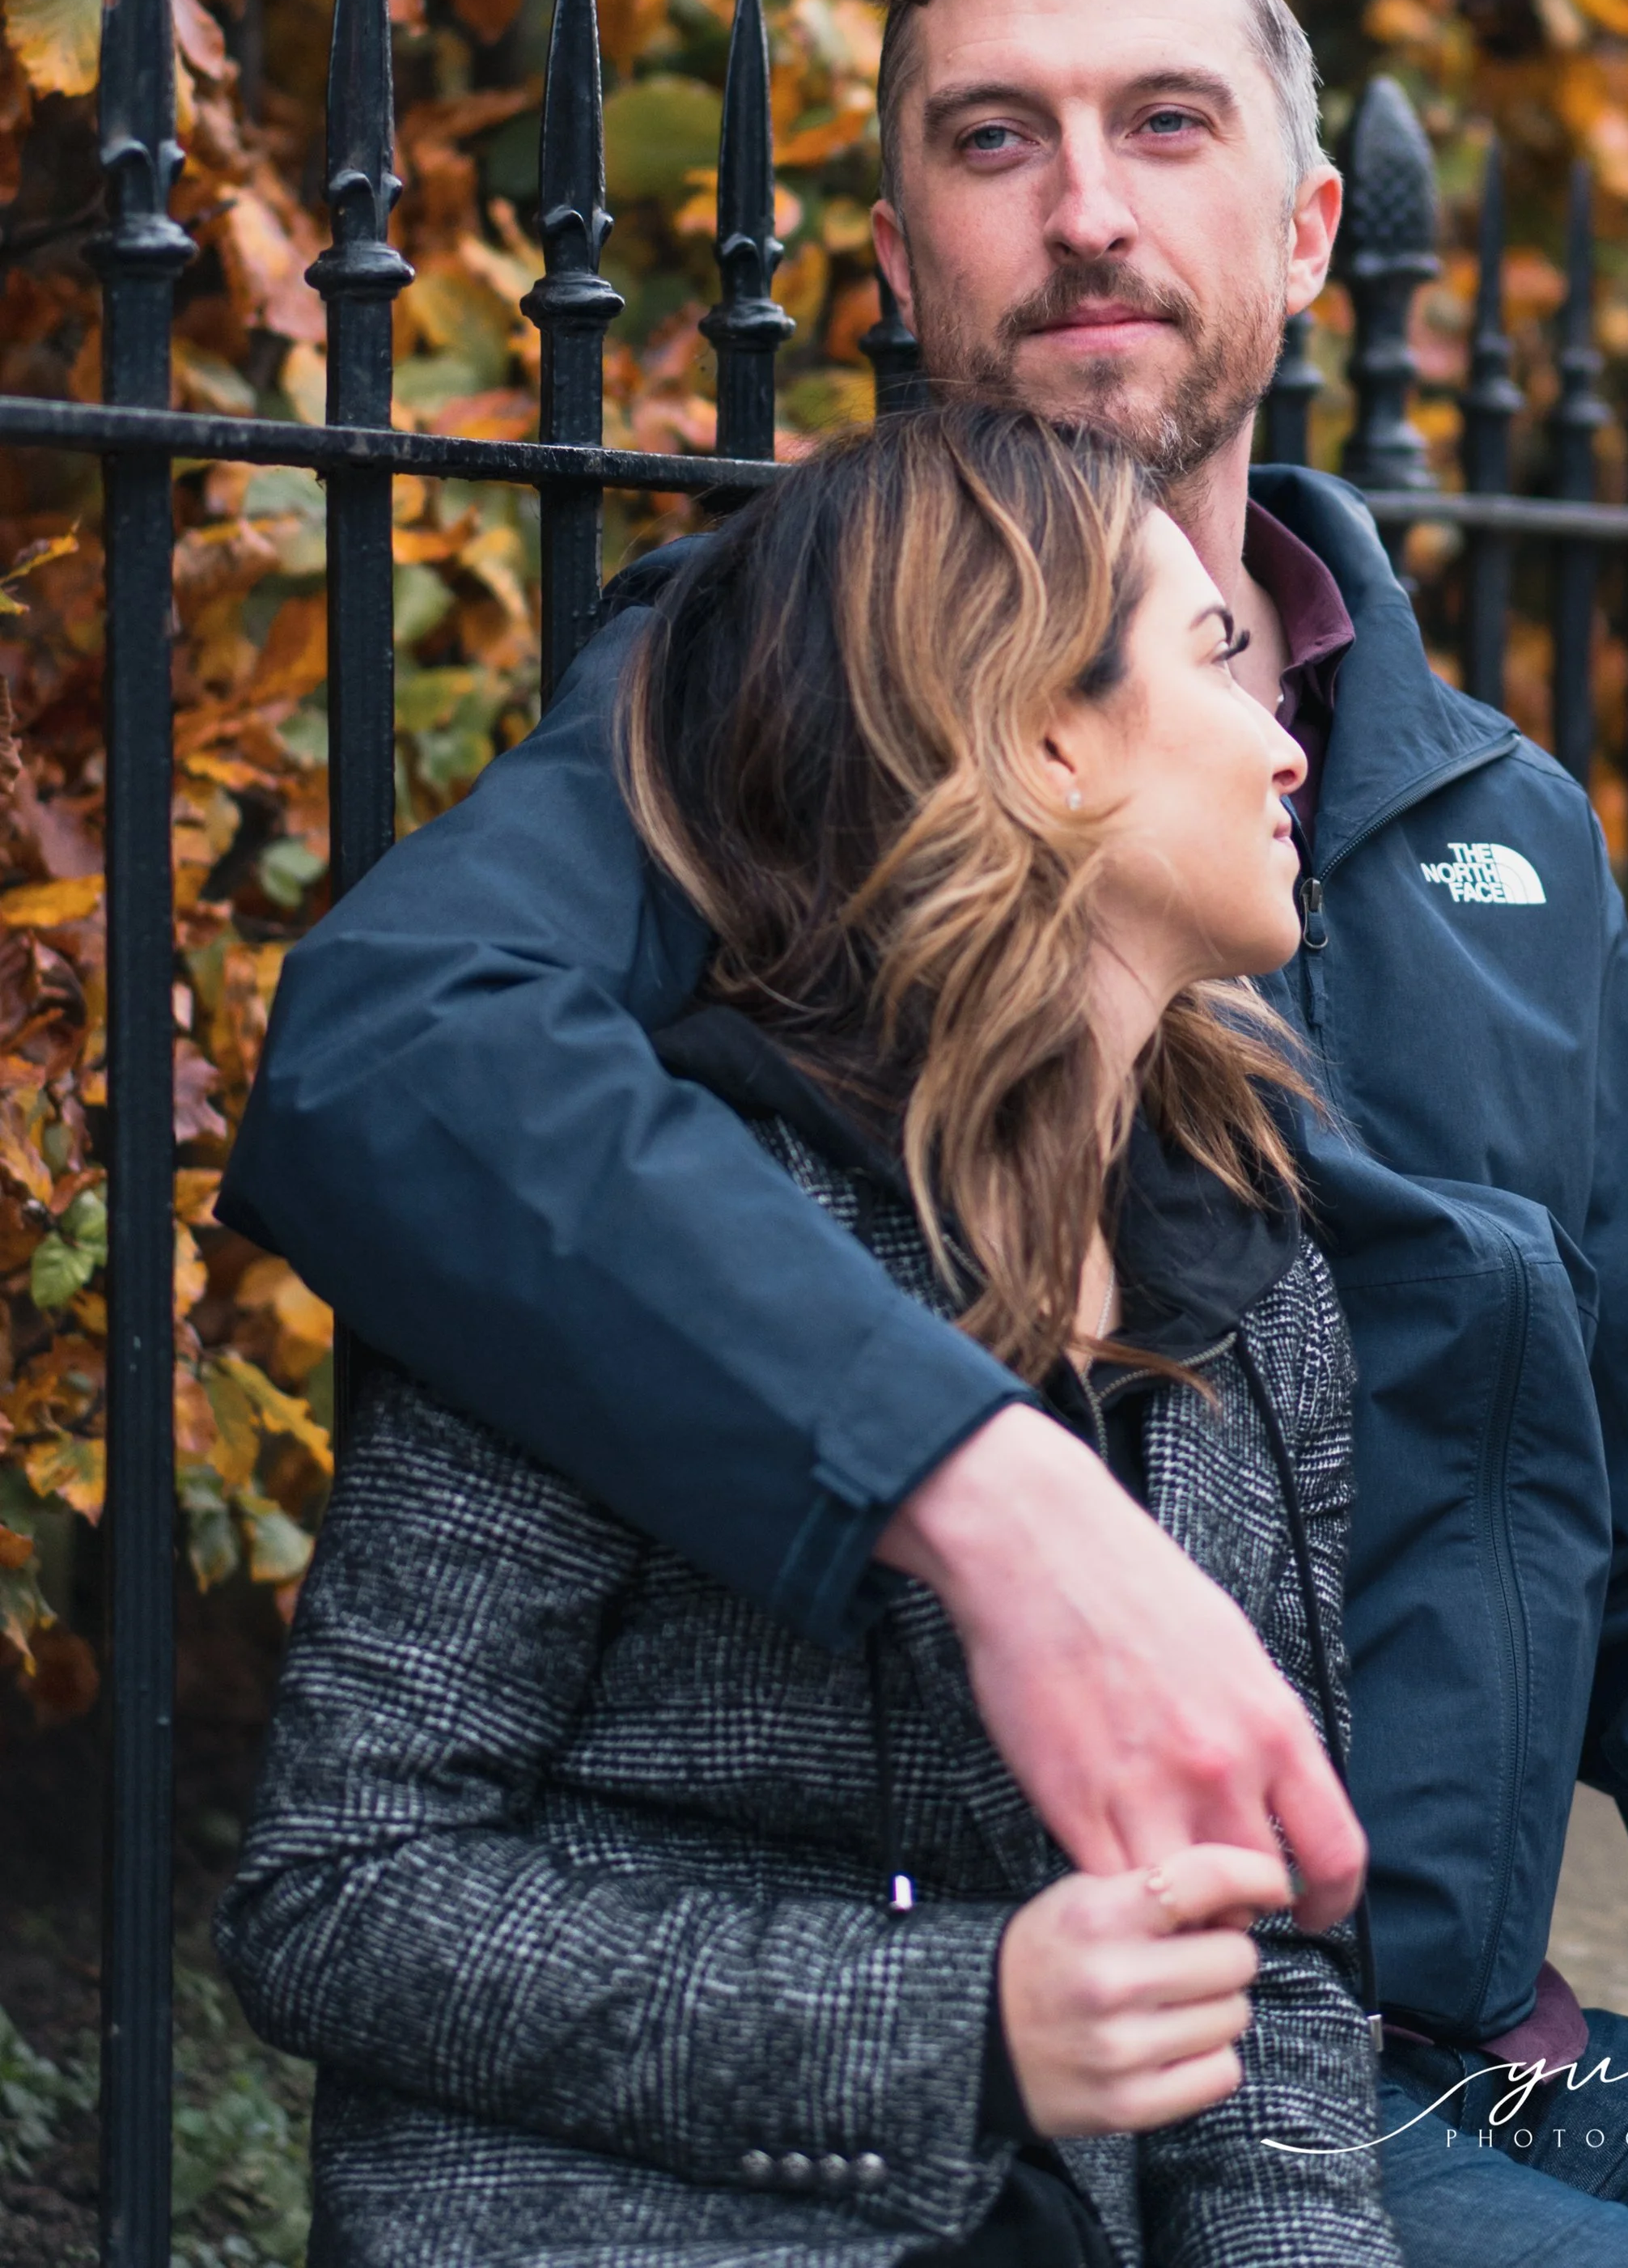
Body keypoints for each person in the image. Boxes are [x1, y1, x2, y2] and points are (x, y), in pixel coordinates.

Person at [222, 0, 1628, 2263]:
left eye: (1162, 123)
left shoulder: (1490, 829)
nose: (1080, 209)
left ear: (1301, 232)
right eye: (991, 138)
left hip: (1432, 2042)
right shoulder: (759, 720)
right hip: (1016, 2087)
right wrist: (981, 1481)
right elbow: (394, 1052)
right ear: (891, 260)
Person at [215, 409, 1401, 2268]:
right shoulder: (646, 1243)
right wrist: (959, 2021)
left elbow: (1273, 1985)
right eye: (1212, 665)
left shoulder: (1259, 1277)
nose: (1281, 740)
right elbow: (337, 1897)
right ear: (1039, 740)